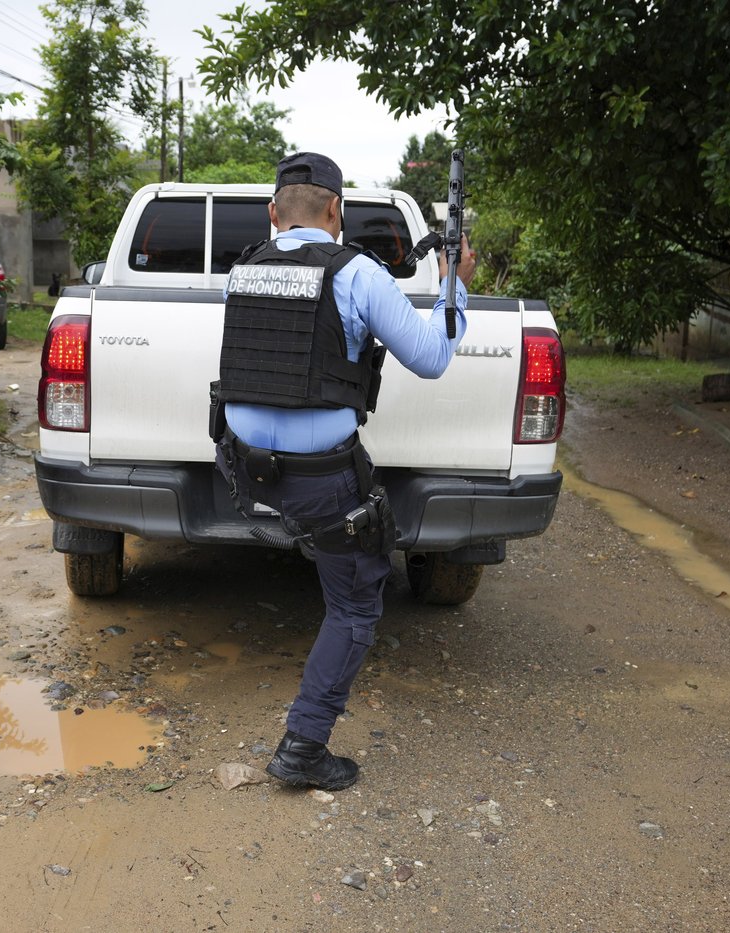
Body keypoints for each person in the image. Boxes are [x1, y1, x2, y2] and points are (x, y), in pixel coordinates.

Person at [213, 151, 475, 791]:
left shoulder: (243, 270)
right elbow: (432, 357)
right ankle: (303, 748)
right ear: (336, 210)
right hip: (320, 480)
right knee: (356, 605)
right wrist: (454, 278)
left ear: (273, 213)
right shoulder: (356, 273)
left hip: (243, 470)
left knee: (341, 560)